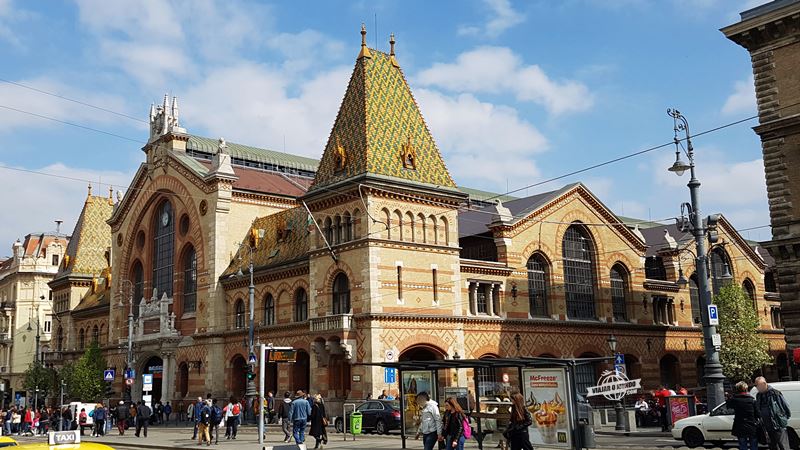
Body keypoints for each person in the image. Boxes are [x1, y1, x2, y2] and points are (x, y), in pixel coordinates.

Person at [756, 376, 791, 450]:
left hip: (778, 423)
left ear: (764, 384)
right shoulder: (758, 395)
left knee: (782, 445)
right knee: (772, 445)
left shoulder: (775, 393)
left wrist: (783, 418)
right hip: (766, 425)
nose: (757, 388)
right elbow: (758, 408)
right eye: (756, 386)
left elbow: (785, 406)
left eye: (758, 386)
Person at [726, 381, 761, 450]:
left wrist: (728, 397)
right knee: (754, 445)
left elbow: (728, 406)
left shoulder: (734, 400)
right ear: (746, 389)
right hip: (752, 426)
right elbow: (758, 414)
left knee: (743, 445)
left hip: (740, 425)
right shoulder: (752, 400)